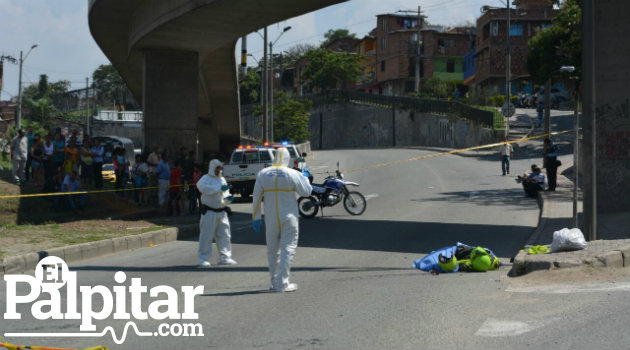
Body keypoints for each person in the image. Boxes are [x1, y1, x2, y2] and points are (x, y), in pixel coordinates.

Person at [251, 147, 312, 292]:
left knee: (272, 250)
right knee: (288, 248)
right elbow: (307, 191)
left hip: (271, 217)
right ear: (287, 158)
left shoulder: (263, 173)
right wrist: (305, 177)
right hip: (289, 216)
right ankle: (283, 283)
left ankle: (274, 283)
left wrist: (256, 217)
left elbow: (256, 197)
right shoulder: (292, 173)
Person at [196, 159, 237, 267]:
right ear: (212, 168)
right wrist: (218, 188)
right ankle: (203, 258)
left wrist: (229, 198)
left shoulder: (222, 179)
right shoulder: (205, 178)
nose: (219, 170)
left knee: (225, 235)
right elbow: (202, 188)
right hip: (209, 212)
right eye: (217, 168)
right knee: (206, 236)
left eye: (220, 168)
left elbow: (225, 193)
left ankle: (225, 257)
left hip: (222, 212)